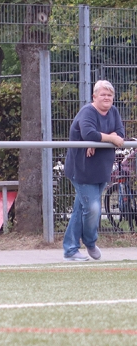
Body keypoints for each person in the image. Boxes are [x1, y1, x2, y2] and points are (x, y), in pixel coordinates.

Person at [63, 79, 125, 262]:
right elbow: (89, 134)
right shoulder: (87, 112)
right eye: (103, 94)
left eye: (110, 95)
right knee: (93, 208)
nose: (106, 98)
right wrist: (109, 138)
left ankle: (70, 249)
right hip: (81, 170)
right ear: (94, 96)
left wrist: (100, 140)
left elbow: (121, 134)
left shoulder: (113, 112)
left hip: (101, 170)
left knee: (80, 209)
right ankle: (90, 242)